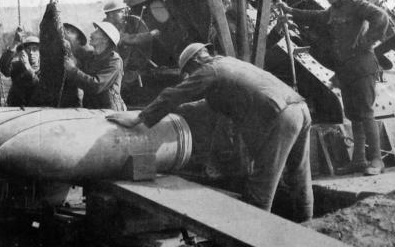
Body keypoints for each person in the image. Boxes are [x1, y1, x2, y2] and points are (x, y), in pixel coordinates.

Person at [107, 43, 313, 222]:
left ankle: (253, 243)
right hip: (299, 108)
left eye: (189, 73)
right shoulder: (228, 64)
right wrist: (172, 111)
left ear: (195, 63)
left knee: (261, 185)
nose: (190, 77)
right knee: (299, 173)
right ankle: (307, 223)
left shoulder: (209, 70)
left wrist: (140, 117)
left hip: (279, 117)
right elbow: (205, 104)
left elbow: (174, 94)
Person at [278, 0, 389, 176]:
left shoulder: (355, 3)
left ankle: (377, 160)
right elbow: (317, 17)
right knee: (353, 114)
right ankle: (359, 160)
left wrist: (366, 42)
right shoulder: (334, 10)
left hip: (363, 66)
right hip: (345, 69)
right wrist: (290, 11)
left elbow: (381, 17)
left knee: (365, 111)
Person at [64, 21, 126, 111]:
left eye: (96, 31)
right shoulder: (92, 57)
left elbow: (96, 86)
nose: (91, 34)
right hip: (92, 110)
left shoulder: (114, 60)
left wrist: (73, 69)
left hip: (109, 112)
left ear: (105, 39)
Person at [0, 30, 41, 107]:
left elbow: (38, 86)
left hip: (35, 111)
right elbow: (2, 67)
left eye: (35, 49)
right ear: (23, 52)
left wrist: (28, 68)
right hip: (14, 109)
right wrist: (14, 44)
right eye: (28, 49)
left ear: (40, 52)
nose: (31, 53)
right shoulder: (18, 67)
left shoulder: (45, 70)